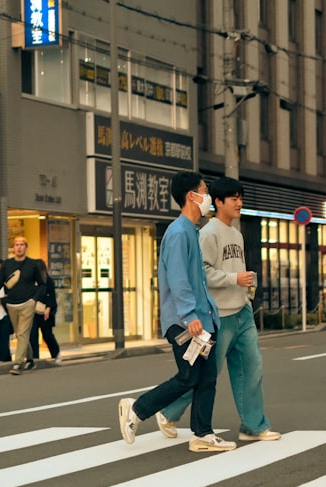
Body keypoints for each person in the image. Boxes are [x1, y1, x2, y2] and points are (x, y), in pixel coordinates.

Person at [117, 171, 236, 453]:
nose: (208, 197)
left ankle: (203, 435)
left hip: (201, 319)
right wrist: (190, 316)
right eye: (205, 191)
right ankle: (137, 409)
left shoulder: (191, 231)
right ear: (191, 196)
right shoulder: (179, 233)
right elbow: (178, 279)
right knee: (189, 377)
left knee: (205, 378)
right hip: (187, 321)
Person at [155, 177, 280, 442]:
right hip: (218, 315)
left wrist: (246, 290)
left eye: (240, 197)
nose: (239, 203)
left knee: (251, 368)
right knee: (205, 374)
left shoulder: (236, 233)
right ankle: (167, 411)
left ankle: (253, 426)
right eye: (233, 198)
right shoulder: (207, 233)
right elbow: (202, 275)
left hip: (241, 311)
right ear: (219, 202)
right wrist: (235, 279)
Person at [0, 236, 49, 375]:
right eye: (16, 244)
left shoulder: (33, 264)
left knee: (23, 332)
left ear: (26, 247)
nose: (19, 247)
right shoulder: (7, 264)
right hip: (12, 304)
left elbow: (43, 285)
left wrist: (34, 300)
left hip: (28, 303)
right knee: (20, 334)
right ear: (13, 247)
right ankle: (30, 360)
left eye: (22, 244)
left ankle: (18, 363)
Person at [29, 272, 60, 362]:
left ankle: (56, 353)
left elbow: (52, 296)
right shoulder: (30, 281)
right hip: (33, 311)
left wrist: (49, 307)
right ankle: (35, 357)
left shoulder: (48, 280)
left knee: (47, 334)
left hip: (45, 311)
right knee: (33, 335)